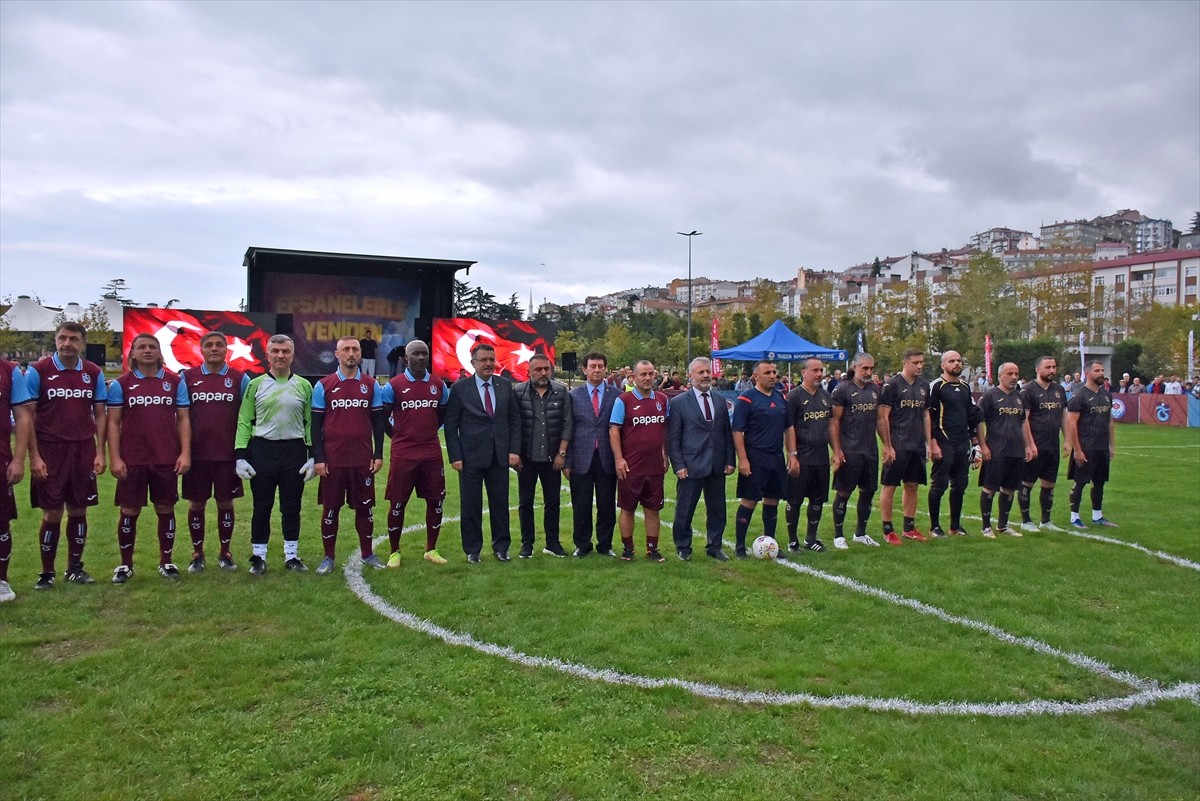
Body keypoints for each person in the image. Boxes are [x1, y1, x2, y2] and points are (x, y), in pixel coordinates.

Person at [25, 322, 108, 588]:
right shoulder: (39, 371)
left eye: (73, 339)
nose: (67, 343)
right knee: (51, 514)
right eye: (62, 338)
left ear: (83, 343)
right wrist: (34, 457)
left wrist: (100, 451)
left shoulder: (93, 373)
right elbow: (27, 416)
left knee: (79, 510)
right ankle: (46, 573)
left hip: (82, 449)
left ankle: (75, 567)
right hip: (50, 450)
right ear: (55, 341)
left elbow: (101, 414)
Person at [106, 333, 192, 582]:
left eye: (152, 347)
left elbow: (184, 419)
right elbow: (113, 423)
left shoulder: (175, 382)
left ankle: (166, 561)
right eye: (141, 347)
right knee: (129, 510)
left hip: (165, 457)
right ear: (132, 353)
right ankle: (125, 565)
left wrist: (185, 452)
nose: (147, 351)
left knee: (165, 508)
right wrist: (115, 457)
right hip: (132, 458)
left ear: (159, 352)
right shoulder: (121, 384)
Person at [235, 334, 315, 574]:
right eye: (275, 351)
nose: (280, 355)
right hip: (263, 450)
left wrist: (313, 455)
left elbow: (310, 422)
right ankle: (258, 557)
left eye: (285, 351)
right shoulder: (255, 384)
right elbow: (244, 421)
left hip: (294, 452)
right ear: (267, 355)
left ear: (293, 354)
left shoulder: (303, 385)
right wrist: (240, 455)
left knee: (291, 506)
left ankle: (292, 556)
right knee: (262, 506)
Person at [310, 336, 386, 576]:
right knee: (331, 509)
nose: (351, 353)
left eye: (355, 349)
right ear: (337, 354)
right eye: (346, 349)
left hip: (362, 459)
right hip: (333, 461)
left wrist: (378, 454)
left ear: (361, 354)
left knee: (365, 509)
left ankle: (367, 553)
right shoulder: (324, 385)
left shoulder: (371, 385)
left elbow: (377, 422)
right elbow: (315, 425)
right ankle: (328, 557)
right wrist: (319, 458)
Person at [443, 342, 521, 563]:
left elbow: (514, 420)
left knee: (500, 504)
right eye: (484, 360)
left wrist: (514, 450)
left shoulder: (505, 385)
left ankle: (501, 547)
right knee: (470, 505)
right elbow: (451, 425)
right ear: (473, 363)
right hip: (470, 457)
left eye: (491, 359)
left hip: (499, 456)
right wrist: (455, 456)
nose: (488, 363)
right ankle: (473, 549)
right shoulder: (460, 388)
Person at [180, 331, 251, 572]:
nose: (214, 349)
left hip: (226, 455)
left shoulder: (240, 379)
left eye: (219, 345)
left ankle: (225, 552)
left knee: (225, 503)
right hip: (197, 455)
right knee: (196, 504)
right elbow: (180, 417)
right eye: (209, 345)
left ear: (226, 350)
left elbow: (247, 417)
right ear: (201, 350)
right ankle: (197, 553)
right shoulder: (186, 378)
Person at [379, 340, 450, 566]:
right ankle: (394, 551)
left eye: (424, 354)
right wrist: (399, 436)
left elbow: (441, 415)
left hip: (431, 452)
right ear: (405, 358)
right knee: (398, 503)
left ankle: (431, 549)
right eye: (416, 354)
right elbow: (382, 419)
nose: (421, 358)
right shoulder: (394, 385)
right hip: (403, 453)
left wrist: (426, 433)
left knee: (436, 501)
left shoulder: (438, 385)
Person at [667, 357, 734, 561]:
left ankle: (715, 546)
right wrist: (678, 465)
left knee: (717, 509)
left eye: (707, 371)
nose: (705, 375)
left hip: (716, 464)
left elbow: (726, 433)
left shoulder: (721, 401)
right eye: (700, 372)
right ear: (691, 376)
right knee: (685, 509)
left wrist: (730, 460)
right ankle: (683, 547)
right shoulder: (678, 403)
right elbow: (674, 437)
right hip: (690, 465)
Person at [609, 359, 670, 562]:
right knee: (627, 509)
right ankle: (628, 549)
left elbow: (665, 431)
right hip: (630, 467)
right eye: (643, 374)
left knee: (653, 509)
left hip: (654, 467)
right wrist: (619, 459)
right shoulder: (623, 400)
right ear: (633, 377)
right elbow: (614, 430)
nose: (647, 378)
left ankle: (652, 549)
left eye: (651, 374)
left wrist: (665, 455)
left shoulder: (662, 399)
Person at [731, 360, 793, 559]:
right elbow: (738, 431)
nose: (773, 375)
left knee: (773, 500)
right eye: (768, 372)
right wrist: (743, 459)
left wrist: (792, 453)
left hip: (776, 457)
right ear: (756, 376)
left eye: (775, 372)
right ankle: (740, 547)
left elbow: (788, 427)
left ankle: (770, 543)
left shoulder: (781, 398)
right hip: (755, 457)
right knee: (749, 501)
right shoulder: (746, 399)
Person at [514, 354, 573, 559]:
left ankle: (552, 543)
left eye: (546, 369)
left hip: (552, 458)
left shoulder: (560, 391)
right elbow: (514, 425)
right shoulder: (519, 392)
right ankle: (527, 543)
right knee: (525, 502)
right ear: (529, 372)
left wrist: (561, 453)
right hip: (527, 458)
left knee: (553, 502)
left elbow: (567, 423)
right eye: (538, 369)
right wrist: (516, 453)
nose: (543, 373)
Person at [565, 351, 618, 558]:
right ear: (585, 369)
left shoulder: (617, 394)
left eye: (600, 366)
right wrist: (567, 461)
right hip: (581, 458)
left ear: (605, 368)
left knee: (606, 505)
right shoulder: (573, 396)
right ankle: (583, 544)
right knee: (581, 505)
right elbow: (568, 430)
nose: (597, 369)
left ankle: (605, 544)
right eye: (592, 366)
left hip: (607, 458)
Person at [877, 348, 931, 545]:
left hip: (916, 444)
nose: (919, 366)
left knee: (912, 485)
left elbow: (926, 414)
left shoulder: (924, 385)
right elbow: (883, 417)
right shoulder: (891, 385)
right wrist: (887, 445)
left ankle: (909, 528)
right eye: (915, 362)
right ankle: (888, 529)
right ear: (905, 363)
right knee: (889, 486)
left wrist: (928, 442)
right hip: (897, 444)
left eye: (921, 362)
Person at [829, 352, 882, 548]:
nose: (868, 372)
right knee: (844, 492)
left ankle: (860, 533)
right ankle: (838, 535)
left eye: (871, 368)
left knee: (868, 491)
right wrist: (837, 450)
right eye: (864, 368)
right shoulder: (842, 390)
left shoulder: (875, 390)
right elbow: (834, 422)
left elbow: (880, 420)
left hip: (870, 449)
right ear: (854, 368)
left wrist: (888, 445)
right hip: (850, 450)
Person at [976, 362, 1035, 538]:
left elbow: (1023, 422)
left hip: (1016, 451)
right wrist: (983, 445)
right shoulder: (989, 396)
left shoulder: (1019, 397)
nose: (1014, 377)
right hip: (996, 449)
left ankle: (1003, 525)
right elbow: (979, 422)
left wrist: (1028, 445)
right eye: (1010, 373)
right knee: (990, 488)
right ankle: (986, 526)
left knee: (1009, 488)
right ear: (1000, 376)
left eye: (1016, 373)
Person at [926, 350, 981, 538]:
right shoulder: (936, 386)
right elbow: (929, 417)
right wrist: (932, 443)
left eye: (959, 360)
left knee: (960, 484)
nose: (956, 364)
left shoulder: (965, 387)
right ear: (943, 365)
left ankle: (955, 526)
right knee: (939, 484)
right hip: (943, 441)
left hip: (962, 442)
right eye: (952, 361)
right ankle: (934, 527)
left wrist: (975, 443)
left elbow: (971, 416)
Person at [784, 358, 834, 552]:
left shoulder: (825, 396)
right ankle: (792, 540)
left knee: (817, 499)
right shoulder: (794, 396)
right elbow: (788, 428)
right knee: (795, 500)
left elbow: (830, 426)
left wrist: (836, 451)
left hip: (821, 457)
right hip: (801, 457)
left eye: (821, 370)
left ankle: (811, 538)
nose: (819, 374)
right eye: (815, 370)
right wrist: (792, 454)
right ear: (804, 372)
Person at [1018, 356, 1069, 533]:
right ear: (1038, 370)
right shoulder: (1028, 390)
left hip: (1052, 445)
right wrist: (1029, 445)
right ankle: (1026, 520)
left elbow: (1063, 416)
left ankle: (1046, 520)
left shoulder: (1059, 390)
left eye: (1054, 367)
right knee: (1027, 482)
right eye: (1048, 367)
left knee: (1049, 484)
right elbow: (1023, 419)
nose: (1052, 370)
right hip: (1035, 445)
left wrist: (1068, 440)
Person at [1066, 361, 1118, 529]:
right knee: (1080, 481)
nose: (1101, 373)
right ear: (1087, 373)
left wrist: (1111, 445)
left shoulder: (1106, 395)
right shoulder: (1079, 396)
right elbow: (1072, 424)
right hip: (1086, 446)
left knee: (1100, 481)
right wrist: (1078, 450)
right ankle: (1074, 517)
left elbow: (1110, 421)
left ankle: (1098, 515)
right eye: (1097, 371)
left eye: (1102, 370)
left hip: (1101, 446)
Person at [0, 357, 33, 602]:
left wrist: (19, 459)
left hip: (1, 457)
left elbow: (22, 417)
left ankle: (1, 580)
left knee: (1, 522)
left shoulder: (9, 370)